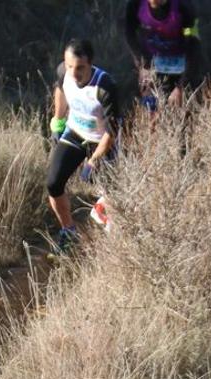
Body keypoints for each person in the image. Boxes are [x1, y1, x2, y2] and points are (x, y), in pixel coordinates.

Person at [47, 39, 121, 251]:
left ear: (91, 64)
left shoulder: (105, 86)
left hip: (103, 141)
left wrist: (93, 161)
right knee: (53, 183)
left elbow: (112, 131)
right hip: (76, 133)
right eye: (70, 66)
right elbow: (60, 89)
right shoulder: (64, 72)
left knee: (116, 197)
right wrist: (58, 121)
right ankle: (68, 232)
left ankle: (102, 211)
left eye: (80, 68)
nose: (74, 72)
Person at [123, 0, 203, 110]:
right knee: (150, 115)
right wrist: (142, 65)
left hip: (180, 71)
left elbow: (194, 46)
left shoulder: (184, 7)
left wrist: (181, 86)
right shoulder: (135, 4)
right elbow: (129, 33)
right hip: (151, 70)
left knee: (180, 117)